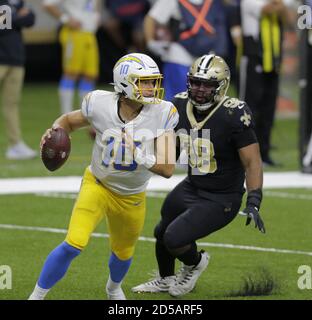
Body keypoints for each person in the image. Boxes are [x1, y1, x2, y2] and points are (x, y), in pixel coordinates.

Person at [28, 53, 179, 300]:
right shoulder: (99, 102)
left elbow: (167, 168)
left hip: (131, 196)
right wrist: (54, 130)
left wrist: (139, 154)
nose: (151, 87)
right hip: (97, 185)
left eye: (153, 81)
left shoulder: (163, 112)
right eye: (144, 82)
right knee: (74, 242)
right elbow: (67, 121)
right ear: (124, 82)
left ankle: (113, 288)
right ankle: (36, 296)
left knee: (123, 252)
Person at [132, 54, 265, 297]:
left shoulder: (234, 113)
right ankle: (165, 279)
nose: (200, 89)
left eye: (207, 84)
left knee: (174, 238)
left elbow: (252, 161)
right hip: (193, 185)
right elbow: (168, 153)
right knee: (161, 231)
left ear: (221, 85)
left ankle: (195, 263)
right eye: (195, 82)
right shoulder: (179, 104)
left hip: (222, 196)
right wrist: (140, 145)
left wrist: (254, 199)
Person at [144, 0, 237, 101]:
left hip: (207, 58)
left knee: (206, 103)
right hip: (180, 57)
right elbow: (151, 19)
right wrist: (150, 42)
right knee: (177, 102)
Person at [239, 0, 293, 166]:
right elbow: (268, 9)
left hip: (274, 60)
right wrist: (280, 6)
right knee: (250, 109)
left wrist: (280, 7)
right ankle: (247, 154)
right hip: (255, 57)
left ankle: (265, 153)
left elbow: (289, 18)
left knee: (268, 109)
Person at [42, 0, 101, 114]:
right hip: (74, 34)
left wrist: (96, 15)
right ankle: (66, 114)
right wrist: (66, 19)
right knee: (71, 73)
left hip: (89, 33)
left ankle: (85, 113)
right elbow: (48, 4)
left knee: (90, 74)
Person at [0, 0, 37, 160]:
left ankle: (15, 144)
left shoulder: (17, 2)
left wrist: (13, 16)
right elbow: (4, 25)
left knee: (12, 104)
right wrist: (16, 16)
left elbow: (30, 19)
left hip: (15, 58)